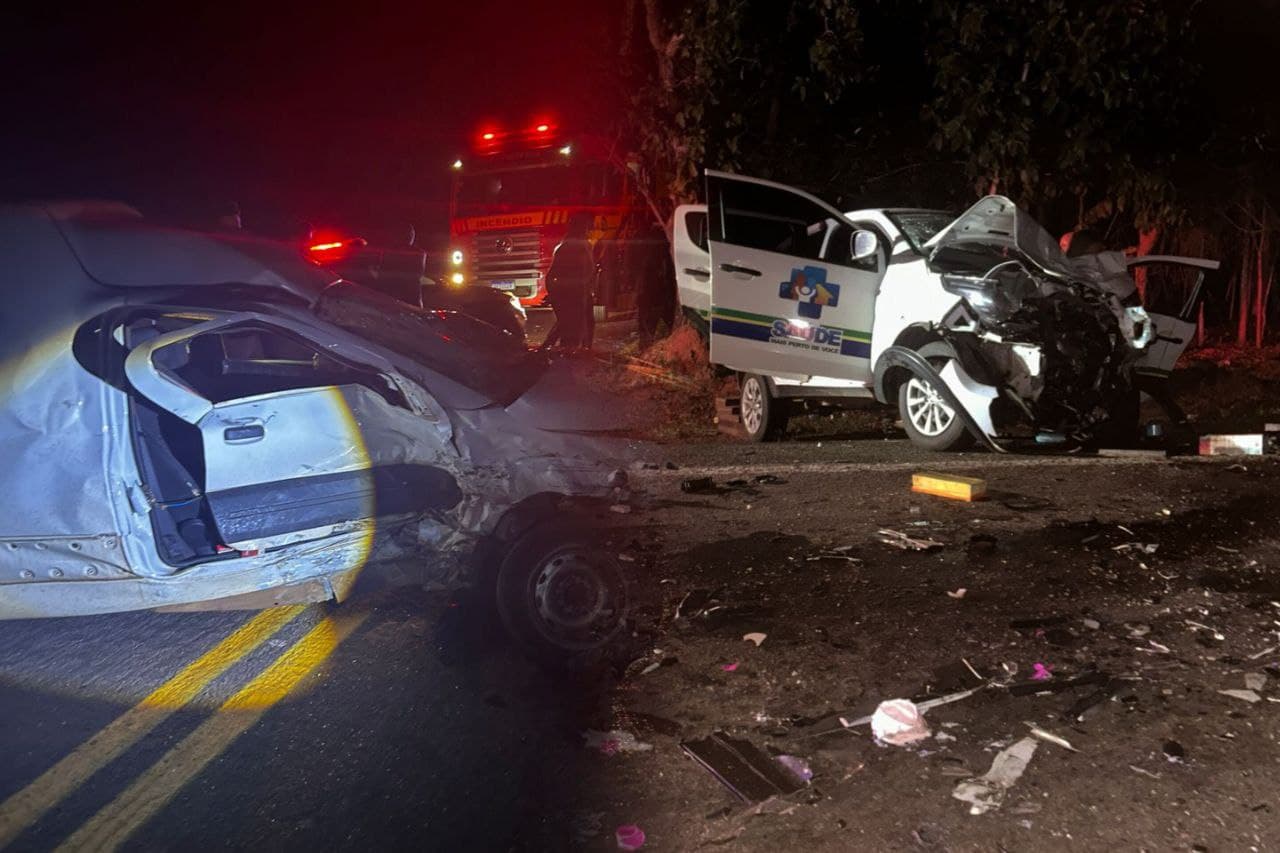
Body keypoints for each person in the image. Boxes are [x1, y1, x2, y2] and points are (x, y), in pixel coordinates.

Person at [546, 212, 595, 350]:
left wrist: (552, 293)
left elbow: (551, 275)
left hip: (576, 294)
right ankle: (575, 352)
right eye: (586, 227)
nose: (588, 230)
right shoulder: (575, 247)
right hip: (574, 295)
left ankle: (572, 351)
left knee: (569, 326)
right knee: (572, 329)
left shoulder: (570, 246)